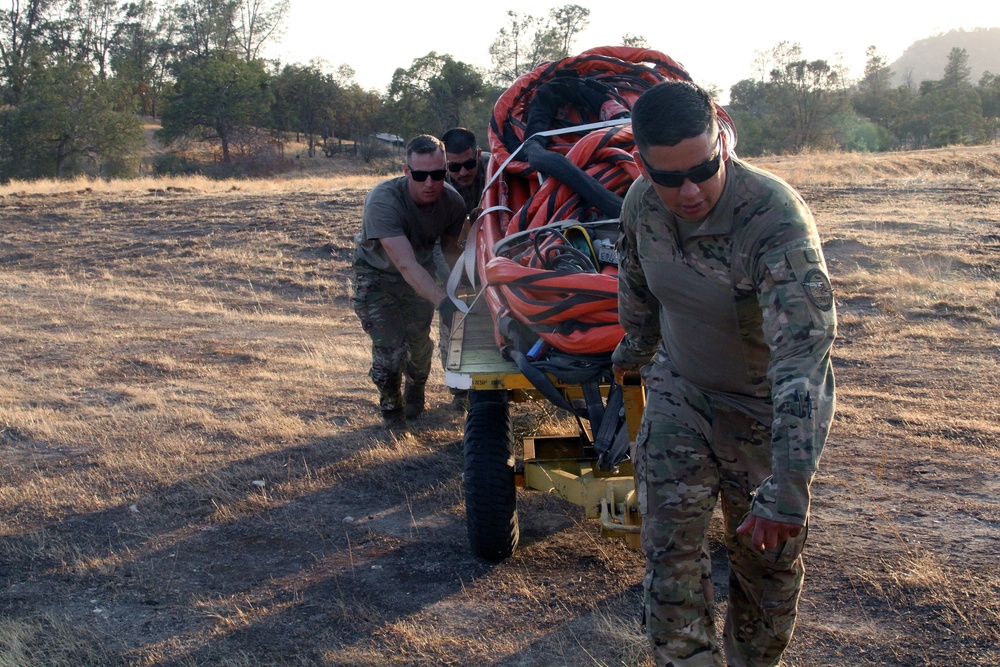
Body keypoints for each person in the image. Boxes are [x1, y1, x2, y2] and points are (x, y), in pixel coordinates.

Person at [612, 81, 837, 667]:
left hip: (762, 412)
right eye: (669, 177)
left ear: (721, 137)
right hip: (681, 394)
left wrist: (789, 486)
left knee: (765, 569)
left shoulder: (773, 216)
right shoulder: (641, 203)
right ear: (642, 165)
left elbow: (802, 360)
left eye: (704, 168)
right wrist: (633, 350)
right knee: (670, 559)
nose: (690, 191)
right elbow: (636, 284)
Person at [352, 134, 466, 430]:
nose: (430, 182)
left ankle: (415, 393)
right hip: (377, 277)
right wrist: (443, 301)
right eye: (420, 175)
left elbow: (452, 251)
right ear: (407, 172)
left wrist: (465, 286)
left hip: (420, 275)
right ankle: (392, 411)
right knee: (391, 350)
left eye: (438, 174)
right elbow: (404, 263)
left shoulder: (453, 202)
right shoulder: (383, 200)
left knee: (419, 347)